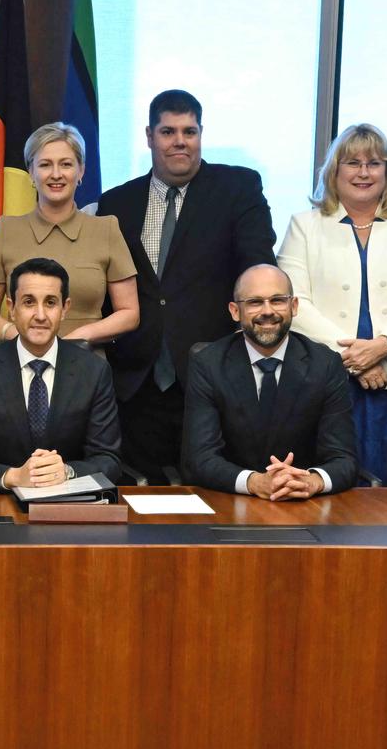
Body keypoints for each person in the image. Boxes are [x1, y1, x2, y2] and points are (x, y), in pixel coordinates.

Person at [97, 90, 276, 480]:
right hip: (136, 383)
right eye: (168, 131)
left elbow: (259, 267)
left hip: (214, 378)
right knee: (141, 507)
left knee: (213, 499)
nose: (180, 140)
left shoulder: (237, 189)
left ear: (200, 134)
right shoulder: (116, 203)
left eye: (189, 131)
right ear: (149, 136)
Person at [277, 124, 387, 483]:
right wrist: (355, 360)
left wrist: (383, 346)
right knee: (329, 481)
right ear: (334, 170)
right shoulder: (304, 225)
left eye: (374, 163)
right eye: (352, 162)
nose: (364, 173)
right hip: (325, 378)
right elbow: (295, 304)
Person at [0, 257, 123, 492]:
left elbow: (108, 459)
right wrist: (12, 476)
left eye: (50, 303)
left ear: (64, 309)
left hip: (70, 507)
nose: (40, 315)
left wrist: (67, 472)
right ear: (11, 308)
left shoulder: (94, 371)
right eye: (29, 302)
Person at [182, 264, 359, 498]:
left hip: (302, 503)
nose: (268, 311)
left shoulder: (325, 364)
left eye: (277, 300)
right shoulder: (208, 364)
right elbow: (200, 457)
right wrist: (254, 482)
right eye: (255, 302)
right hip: (228, 501)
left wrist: (311, 482)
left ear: (293, 306)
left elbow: (343, 458)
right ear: (235, 311)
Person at [0, 123, 139, 343]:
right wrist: (24, 339)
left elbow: (129, 313)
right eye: (44, 165)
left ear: (80, 171)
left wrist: (79, 338)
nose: (56, 174)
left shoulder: (106, 229)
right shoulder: (6, 230)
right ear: (31, 172)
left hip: (87, 365)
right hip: (20, 365)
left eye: (66, 164)